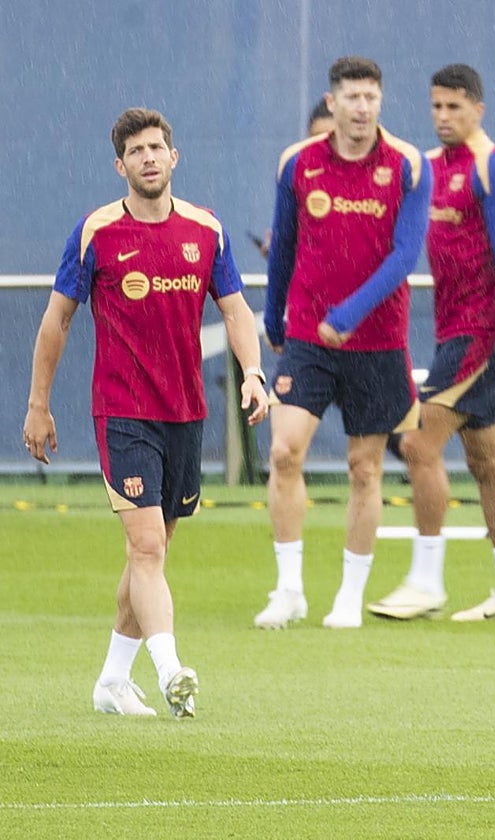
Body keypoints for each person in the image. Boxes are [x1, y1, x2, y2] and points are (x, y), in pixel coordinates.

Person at [22, 107, 269, 719]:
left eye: (157, 147)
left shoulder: (206, 230)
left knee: (151, 554)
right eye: (136, 151)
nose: (149, 158)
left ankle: (111, 680)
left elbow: (236, 310)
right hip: (122, 410)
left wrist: (254, 373)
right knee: (148, 548)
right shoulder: (96, 232)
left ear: (174, 156)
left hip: (186, 412)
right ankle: (171, 671)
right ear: (120, 165)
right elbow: (57, 320)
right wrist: (38, 404)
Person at [254, 56, 431, 629]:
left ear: (381, 101)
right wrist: (275, 320)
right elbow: (282, 248)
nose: (362, 108)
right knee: (284, 451)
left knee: (364, 468)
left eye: (371, 98)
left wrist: (352, 312)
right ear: (331, 103)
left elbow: (405, 255)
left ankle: (349, 596)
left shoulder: (407, 165)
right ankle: (288, 590)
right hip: (308, 334)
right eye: (351, 98)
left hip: (378, 340)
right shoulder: (297, 164)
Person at [368, 63, 495, 623]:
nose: (443, 117)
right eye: (436, 106)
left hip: (480, 335)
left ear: (478, 110)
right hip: (455, 330)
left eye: (455, 107)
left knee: (418, 445)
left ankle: (426, 579)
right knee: (488, 462)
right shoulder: (428, 168)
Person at [250, 100, 337, 260]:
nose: (322, 144)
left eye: (330, 137)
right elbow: (285, 247)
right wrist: (278, 250)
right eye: (315, 137)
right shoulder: (296, 175)